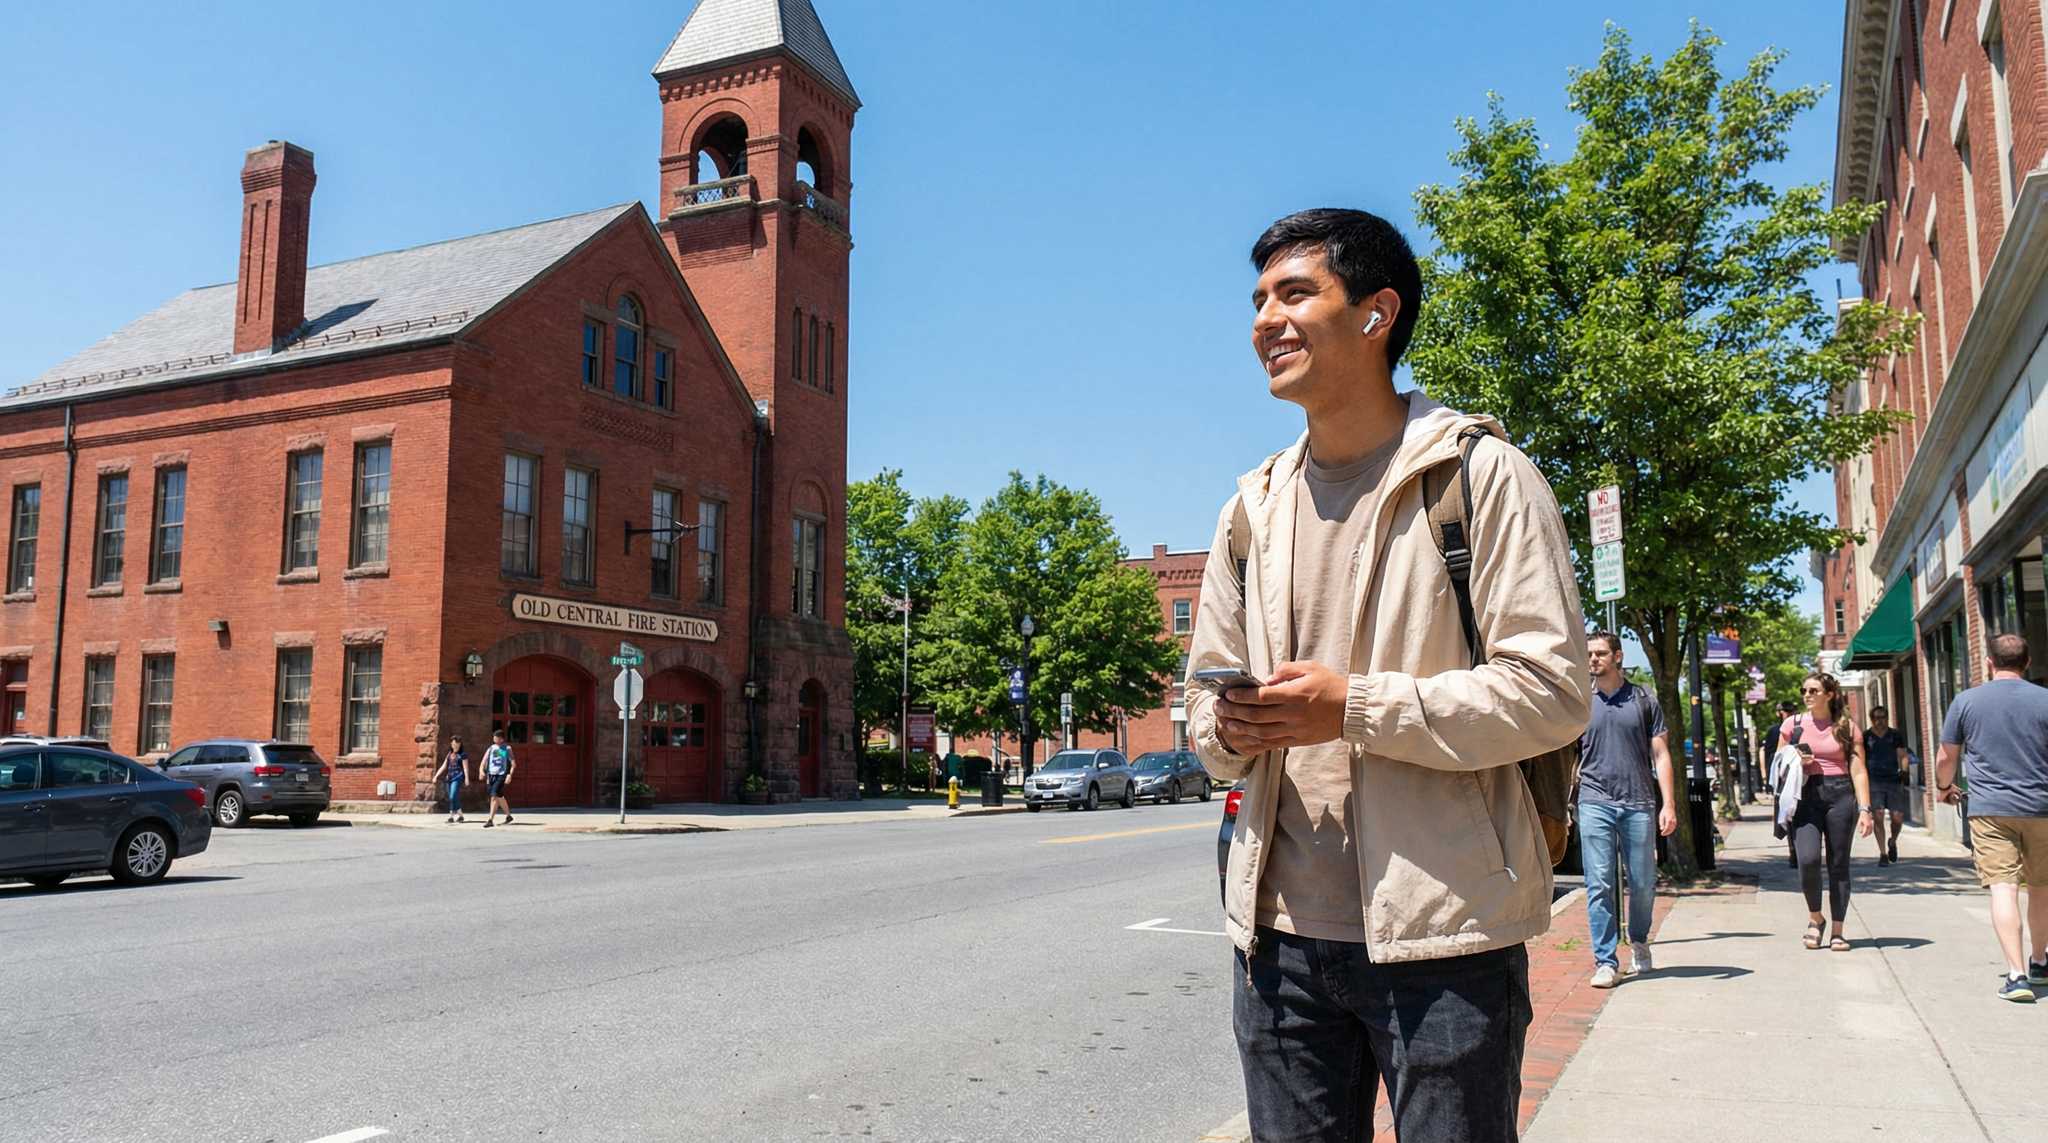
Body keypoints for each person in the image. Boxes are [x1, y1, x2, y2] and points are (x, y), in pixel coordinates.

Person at [1185, 208, 1589, 1141]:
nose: (1263, 322)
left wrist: (1352, 707)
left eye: (1294, 294)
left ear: (1376, 314)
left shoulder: (1481, 477)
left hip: (1445, 939)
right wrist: (1229, 730)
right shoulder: (1250, 510)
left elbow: (1553, 689)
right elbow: (1203, 709)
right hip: (1277, 944)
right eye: (1256, 301)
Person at [1934, 633, 2048, 1002]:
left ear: (1988, 662)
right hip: (2042, 807)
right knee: (2042, 887)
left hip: (1990, 810)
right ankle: (2040, 962)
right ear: (2027, 663)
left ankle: (2016, 976)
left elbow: (1946, 756)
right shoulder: (2045, 700)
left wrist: (1943, 786)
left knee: (2004, 887)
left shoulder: (1966, 701)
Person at [1576, 632, 1677, 988]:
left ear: (1618, 656)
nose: (1593, 659)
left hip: (1638, 802)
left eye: (1601, 653)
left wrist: (1669, 803)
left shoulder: (1643, 698)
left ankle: (1639, 939)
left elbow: (1661, 755)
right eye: (1589, 654)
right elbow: (1565, 755)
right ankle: (1605, 960)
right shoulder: (1579, 700)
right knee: (1599, 883)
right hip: (1594, 800)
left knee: (1643, 884)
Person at [1779, 672, 1873, 952]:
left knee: (1838, 864)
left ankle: (1838, 930)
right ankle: (1815, 917)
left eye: (1813, 690)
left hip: (1840, 794)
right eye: (1804, 690)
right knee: (1807, 860)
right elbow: (1778, 762)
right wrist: (1795, 758)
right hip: (1806, 794)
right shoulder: (1792, 725)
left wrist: (1865, 808)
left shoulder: (1847, 727)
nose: (1806, 695)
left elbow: (1858, 770)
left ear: (1829, 694)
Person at [1863, 706, 1917, 865]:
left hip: (1893, 780)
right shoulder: (1866, 737)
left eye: (1882, 717)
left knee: (1897, 818)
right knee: (1878, 815)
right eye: (1876, 718)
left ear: (1887, 718)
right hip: (1874, 780)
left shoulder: (1895, 735)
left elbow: (1903, 755)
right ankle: (1883, 854)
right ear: (1871, 719)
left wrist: (1904, 771)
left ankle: (1892, 841)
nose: (1879, 721)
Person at [1764, 700, 1799, 868]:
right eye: (1785, 711)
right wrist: (1769, 781)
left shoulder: (1801, 728)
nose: (1788, 714)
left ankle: (1798, 850)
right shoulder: (1773, 731)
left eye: (1790, 711)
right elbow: (1770, 756)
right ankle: (1793, 851)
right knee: (1787, 814)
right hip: (1782, 779)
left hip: (1800, 777)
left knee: (1799, 813)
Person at [431, 735, 470, 824]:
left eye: (456, 743)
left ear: (460, 744)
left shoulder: (463, 755)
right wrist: (436, 776)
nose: (454, 745)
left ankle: (451, 816)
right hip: (449, 778)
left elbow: (465, 768)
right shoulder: (449, 754)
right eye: (453, 743)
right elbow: (444, 766)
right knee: (453, 797)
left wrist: (467, 778)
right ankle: (460, 816)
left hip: (458, 777)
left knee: (452, 796)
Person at [481, 729, 517, 828]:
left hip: (501, 775)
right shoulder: (491, 748)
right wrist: (481, 771)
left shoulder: (507, 748)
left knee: (494, 796)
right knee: (499, 796)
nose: (494, 738)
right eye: (494, 737)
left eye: (496, 737)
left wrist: (510, 775)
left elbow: (513, 764)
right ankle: (509, 816)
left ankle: (490, 820)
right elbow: (483, 762)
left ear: (501, 739)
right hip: (491, 775)